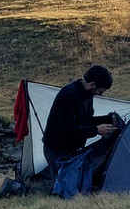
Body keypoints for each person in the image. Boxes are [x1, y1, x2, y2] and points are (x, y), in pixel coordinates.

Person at [43, 64, 123, 197]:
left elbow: (86, 120)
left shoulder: (87, 95)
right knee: (64, 190)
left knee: (73, 188)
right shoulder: (68, 95)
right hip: (57, 150)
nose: (100, 95)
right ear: (92, 85)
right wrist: (96, 130)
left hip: (71, 149)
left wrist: (108, 119)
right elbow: (67, 129)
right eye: (100, 91)